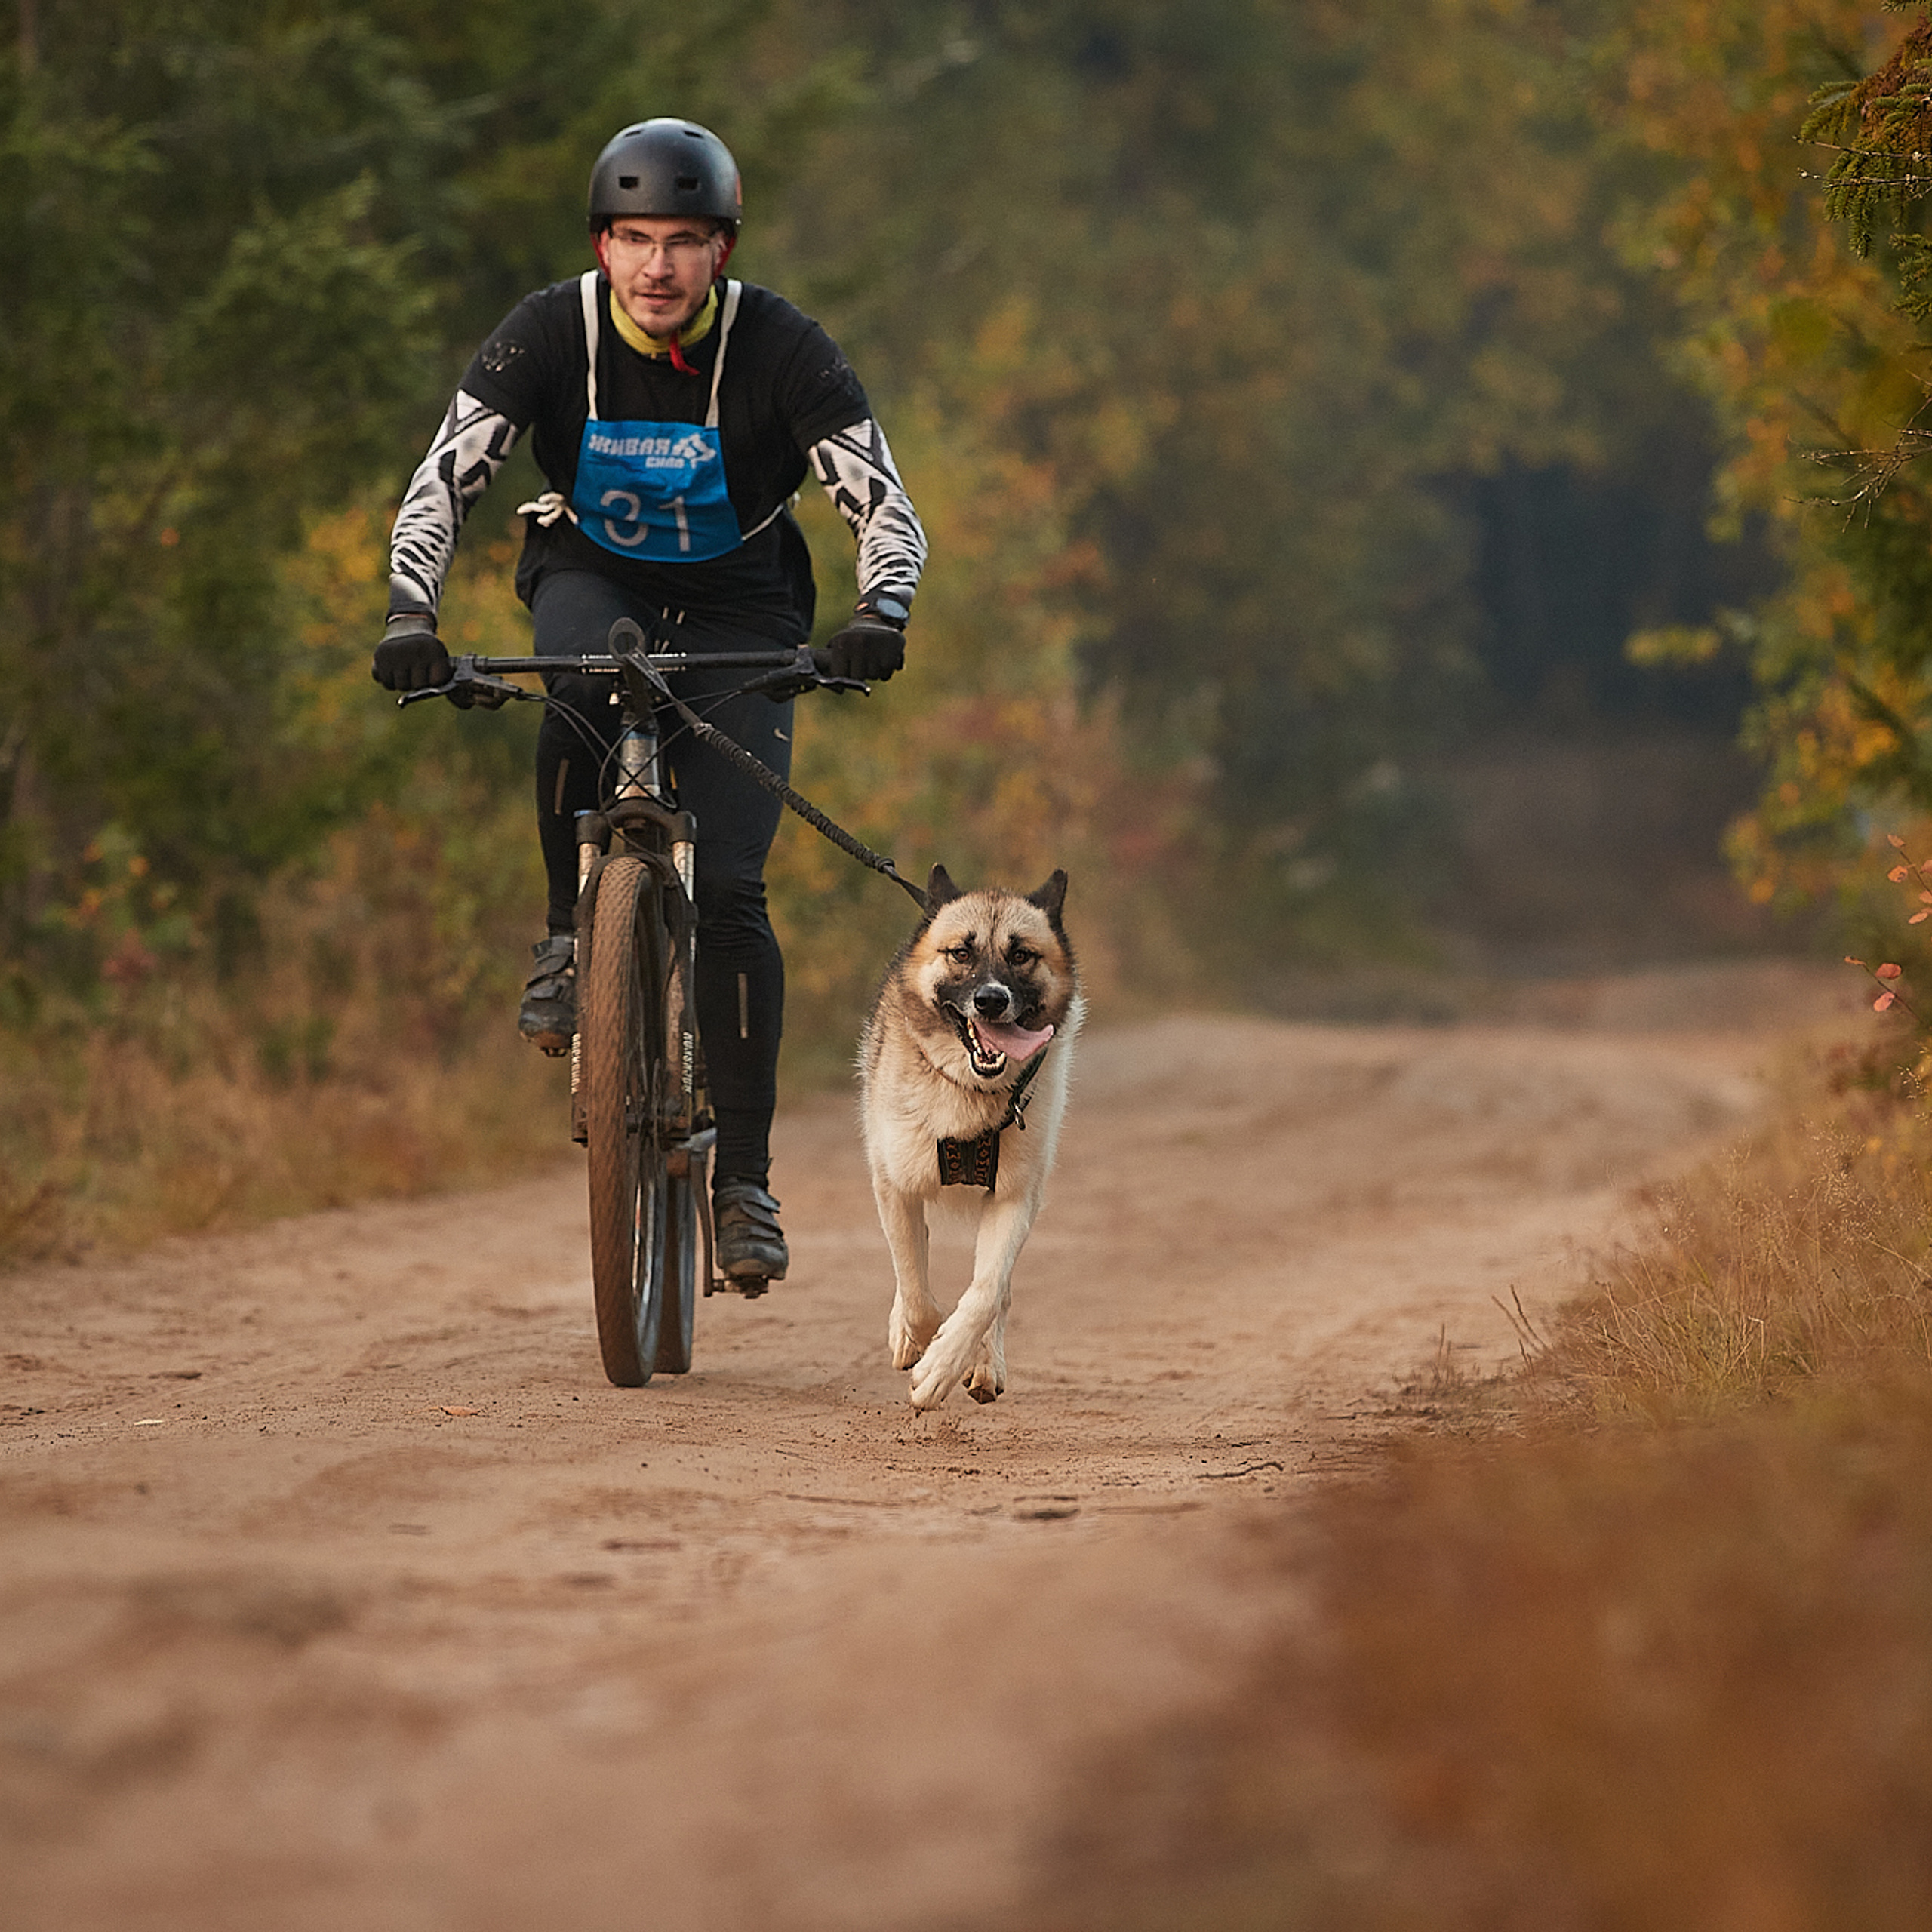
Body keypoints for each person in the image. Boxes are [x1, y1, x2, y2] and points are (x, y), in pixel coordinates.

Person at [371, 118, 927, 1289]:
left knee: (729, 886)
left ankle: (745, 1185)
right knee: (574, 678)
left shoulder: (784, 348)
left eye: (684, 241)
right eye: (635, 240)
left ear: (723, 250)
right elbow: (444, 481)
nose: (658, 267)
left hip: (745, 613)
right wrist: (410, 618)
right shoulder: (546, 335)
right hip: (596, 578)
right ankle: (571, 940)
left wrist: (881, 613)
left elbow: (883, 504)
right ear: (602, 245)